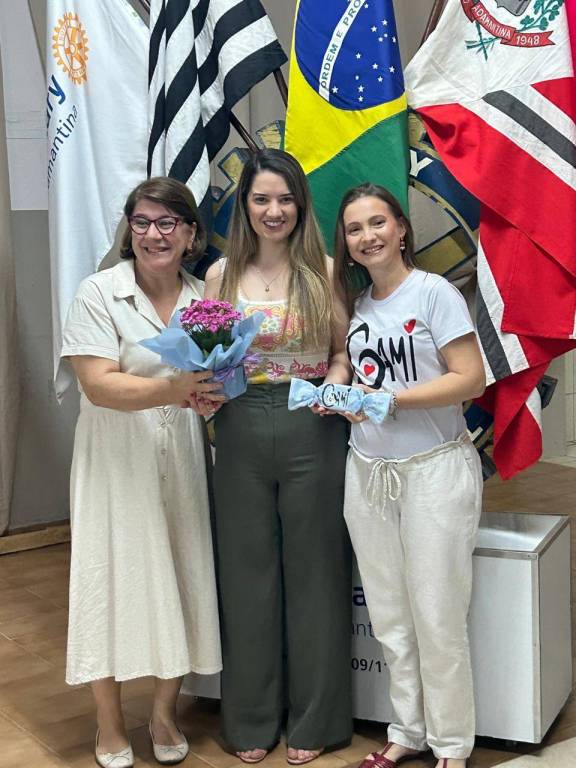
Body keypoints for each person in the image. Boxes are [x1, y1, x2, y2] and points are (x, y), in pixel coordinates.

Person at [61, 177, 224, 768]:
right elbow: (98, 385)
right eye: (142, 223)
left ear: (190, 234)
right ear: (129, 231)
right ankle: (108, 723)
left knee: (181, 574)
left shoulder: (205, 298)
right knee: (108, 580)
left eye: (167, 223)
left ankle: (162, 713)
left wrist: (212, 394)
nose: (155, 234)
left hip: (181, 454)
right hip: (114, 458)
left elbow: (214, 379)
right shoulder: (99, 291)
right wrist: (174, 390)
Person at [203, 148, 352, 765]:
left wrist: (330, 391)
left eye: (285, 199)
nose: (274, 210)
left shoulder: (324, 271)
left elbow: (341, 354)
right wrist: (205, 388)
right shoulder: (219, 277)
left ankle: (316, 719)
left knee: (317, 573)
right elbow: (207, 359)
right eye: (262, 198)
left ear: (300, 205)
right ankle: (251, 720)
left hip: (311, 426)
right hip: (239, 428)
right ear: (245, 205)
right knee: (246, 575)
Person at [330, 183, 485, 768]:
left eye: (377, 223)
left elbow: (469, 378)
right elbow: (361, 379)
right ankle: (407, 731)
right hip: (368, 471)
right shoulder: (358, 305)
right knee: (390, 614)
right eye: (354, 229)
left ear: (400, 229)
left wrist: (392, 400)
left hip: (433, 471)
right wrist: (346, 399)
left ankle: (451, 745)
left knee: (438, 615)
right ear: (345, 243)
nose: (367, 237)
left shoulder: (434, 292)